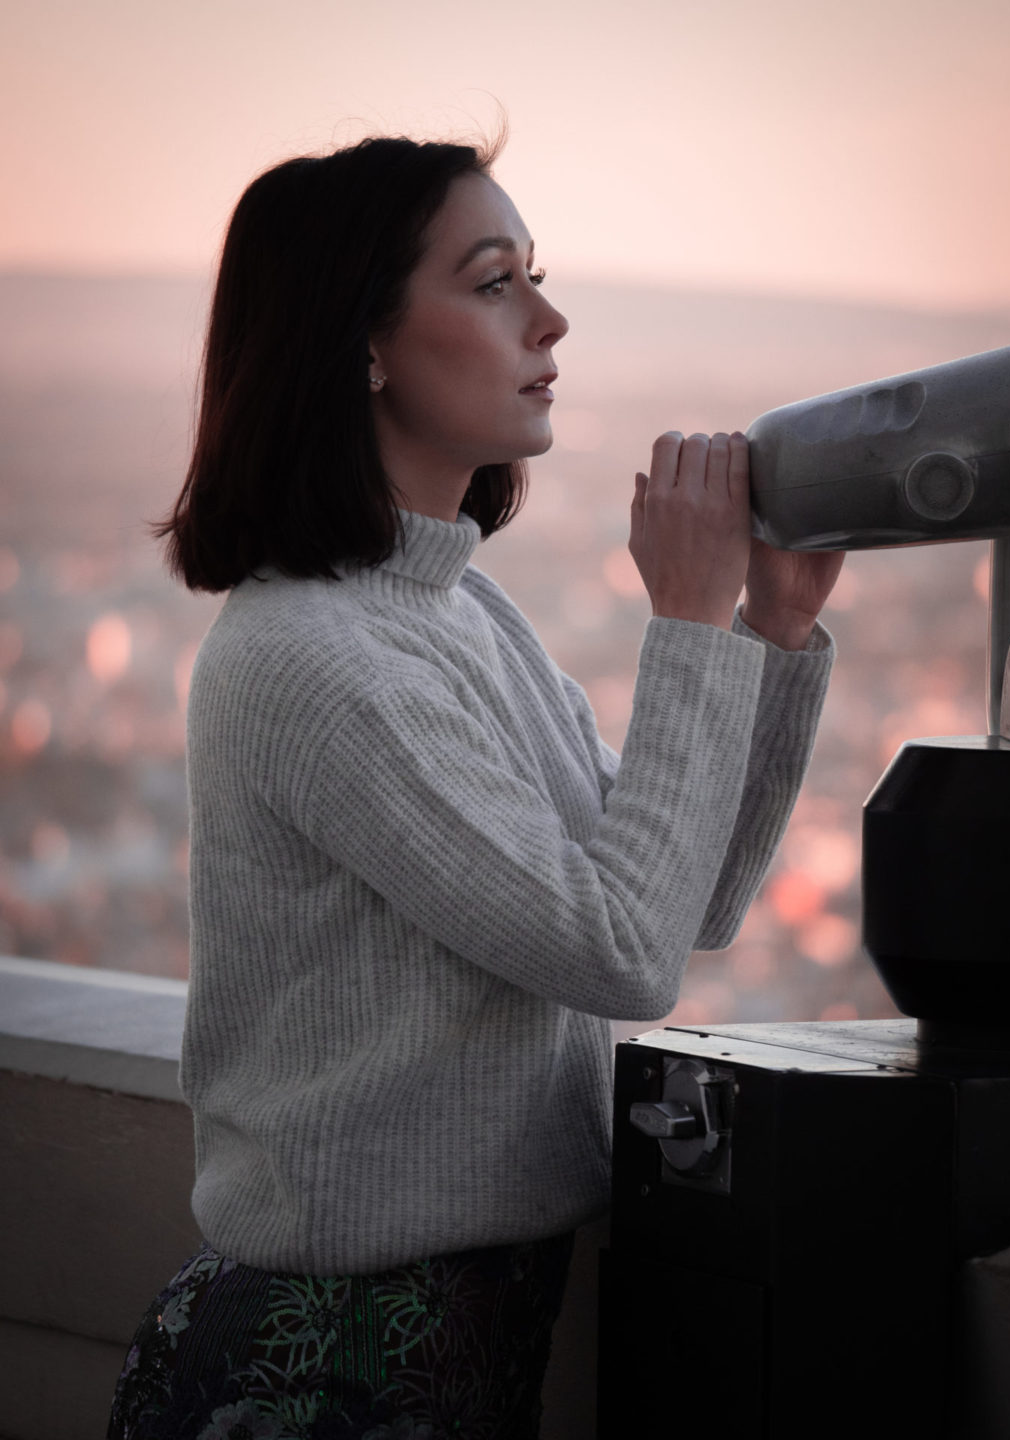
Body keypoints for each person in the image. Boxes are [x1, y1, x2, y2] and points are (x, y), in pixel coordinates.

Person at [108, 132, 842, 1439]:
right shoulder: (310, 661)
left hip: (459, 1338)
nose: (550, 321)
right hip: (325, 1370)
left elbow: (686, 903)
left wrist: (768, 639)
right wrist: (681, 620)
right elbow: (624, 957)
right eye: (496, 281)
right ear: (365, 342)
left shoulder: (460, 615)